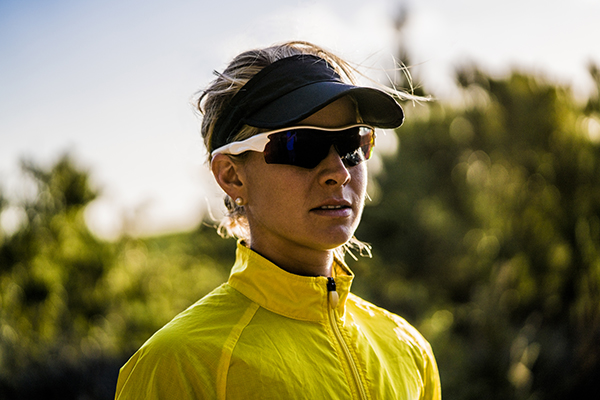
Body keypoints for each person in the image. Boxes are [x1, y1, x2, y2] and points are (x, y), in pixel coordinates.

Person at [114, 41, 441, 400]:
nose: (338, 172)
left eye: (352, 143)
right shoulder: (179, 364)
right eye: (301, 145)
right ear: (232, 176)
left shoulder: (409, 349)